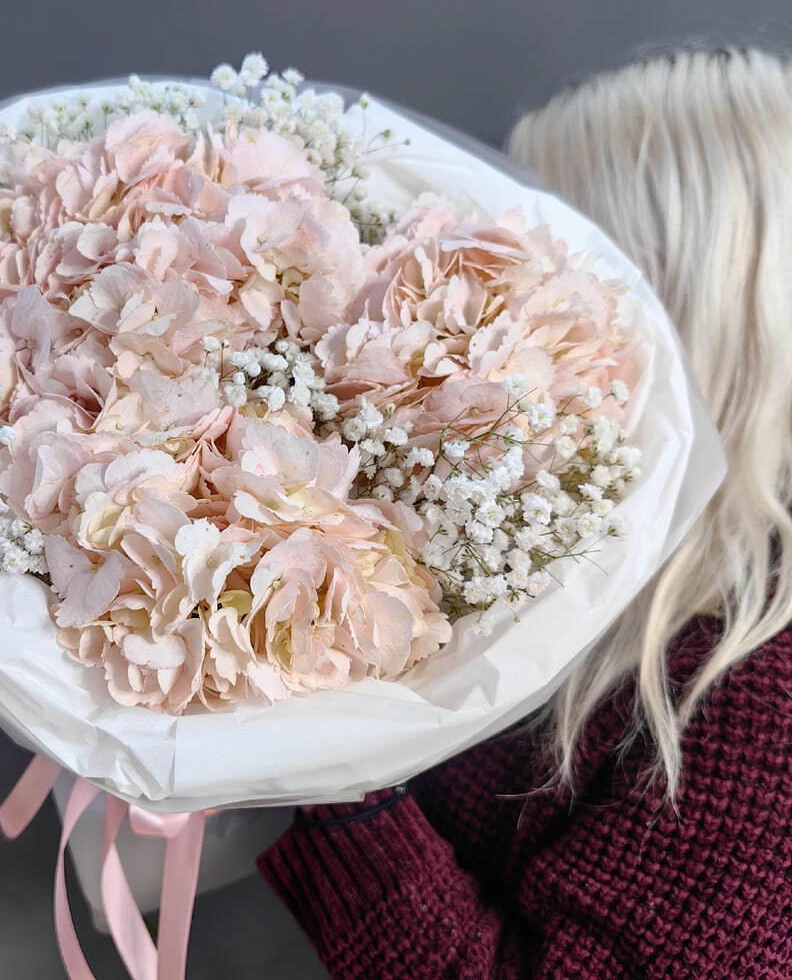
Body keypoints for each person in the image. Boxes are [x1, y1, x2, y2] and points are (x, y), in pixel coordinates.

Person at [257, 48, 792, 979]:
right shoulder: (584, 557)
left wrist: (329, 758)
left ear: (670, 298)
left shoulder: (760, 698)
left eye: (540, 260)